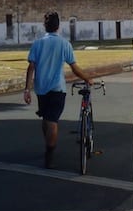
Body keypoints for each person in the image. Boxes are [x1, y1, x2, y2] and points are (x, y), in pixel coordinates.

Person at [23, 11, 92, 168]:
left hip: (41, 88)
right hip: (57, 88)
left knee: (46, 118)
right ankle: (50, 152)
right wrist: (87, 78)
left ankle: (48, 145)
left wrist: (27, 89)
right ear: (58, 26)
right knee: (52, 120)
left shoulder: (37, 44)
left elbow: (31, 67)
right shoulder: (64, 44)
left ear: (44, 26)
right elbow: (74, 67)